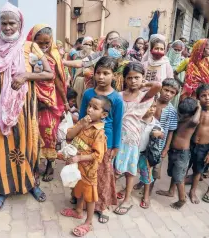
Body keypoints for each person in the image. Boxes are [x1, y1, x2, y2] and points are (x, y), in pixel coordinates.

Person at [0, 3, 54, 211]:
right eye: (3, 23)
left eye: (11, 23)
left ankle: (30, 184)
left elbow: (49, 73)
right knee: (0, 146)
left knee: (27, 143)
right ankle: (2, 189)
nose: (7, 27)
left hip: (23, 107)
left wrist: (26, 75)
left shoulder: (30, 48)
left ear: (19, 23)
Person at [78, 57, 122, 223]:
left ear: (114, 76)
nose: (101, 77)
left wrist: (116, 146)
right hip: (86, 139)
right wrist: (78, 138)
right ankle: (83, 202)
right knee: (85, 173)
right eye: (98, 73)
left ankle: (101, 206)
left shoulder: (116, 98)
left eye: (106, 73)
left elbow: (118, 123)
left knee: (103, 175)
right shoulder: (89, 93)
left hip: (105, 143)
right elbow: (82, 117)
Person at [114, 62, 161, 215]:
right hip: (117, 137)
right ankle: (109, 195)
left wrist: (144, 84)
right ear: (124, 79)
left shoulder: (143, 96)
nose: (133, 81)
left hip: (132, 139)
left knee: (130, 170)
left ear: (142, 78)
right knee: (113, 168)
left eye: (137, 78)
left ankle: (127, 200)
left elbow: (158, 85)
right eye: (129, 78)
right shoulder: (119, 96)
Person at [60, 95, 109, 236]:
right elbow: (69, 135)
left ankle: (89, 222)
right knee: (79, 189)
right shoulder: (83, 123)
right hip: (78, 167)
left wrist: (79, 157)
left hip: (89, 169)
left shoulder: (99, 131)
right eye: (89, 106)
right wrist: (80, 124)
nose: (90, 110)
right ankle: (78, 211)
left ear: (103, 114)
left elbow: (98, 155)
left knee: (89, 195)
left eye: (95, 108)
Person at [27, 24, 68, 182]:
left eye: (47, 43)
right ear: (32, 41)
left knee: (50, 134)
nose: (44, 47)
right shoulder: (27, 57)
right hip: (33, 101)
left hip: (50, 102)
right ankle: (35, 167)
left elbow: (58, 81)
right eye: (40, 43)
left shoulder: (54, 57)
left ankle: (50, 165)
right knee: (34, 133)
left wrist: (64, 102)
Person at [157, 98, 201, 209]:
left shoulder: (192, 122)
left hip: (182, 154)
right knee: (173, 174)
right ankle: (171, 191)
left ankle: (182, 199)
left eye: (185, 114)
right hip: (173, 152)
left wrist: (199, 107)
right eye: (180, 112)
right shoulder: (181, 118)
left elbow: (196, 120)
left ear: (192, 113)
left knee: (179, 178)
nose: (182, 115)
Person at [189, 84, 209, 204]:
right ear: (198, 98)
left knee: (198, 171)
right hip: (190, 144)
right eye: (203, 95)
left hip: (203, 147)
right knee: (184, 167)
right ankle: (172, 188)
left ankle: (193, 191)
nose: (207, 98)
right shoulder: (196, 112)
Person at [64, 37, 130, 92]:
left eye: (118, 47)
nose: (114, 49)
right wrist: (64, 62)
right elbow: (82, 62)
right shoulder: (100, 58)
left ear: (124, 52)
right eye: (112, 46)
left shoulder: (127, 65)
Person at [138, 100, 163, 209]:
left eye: (154, 106)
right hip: (133, 151)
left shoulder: (156, 123)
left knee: (146, 174)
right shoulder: (137, 119)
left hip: (145, 154)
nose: (152, 109)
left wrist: (159, 134)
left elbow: (162, 135)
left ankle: (146, 195)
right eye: (149, 106)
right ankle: (126, 190)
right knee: (129, 172)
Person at [72, 37, 95, 108]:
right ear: (82, 44)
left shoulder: (94, 55)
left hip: (89, 82)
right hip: (78, 81)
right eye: (86, 44)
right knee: (77, 100)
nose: (88, 46)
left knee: (87, 102)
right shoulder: (77, 54)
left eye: (90, 44)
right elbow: (74, 68)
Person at [166, 40, 185, 108]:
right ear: (171, 49)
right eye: (175, 49)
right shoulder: (165, 60)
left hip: (176, 89)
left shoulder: (183, 61)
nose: (176, 52)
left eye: (179, 50)